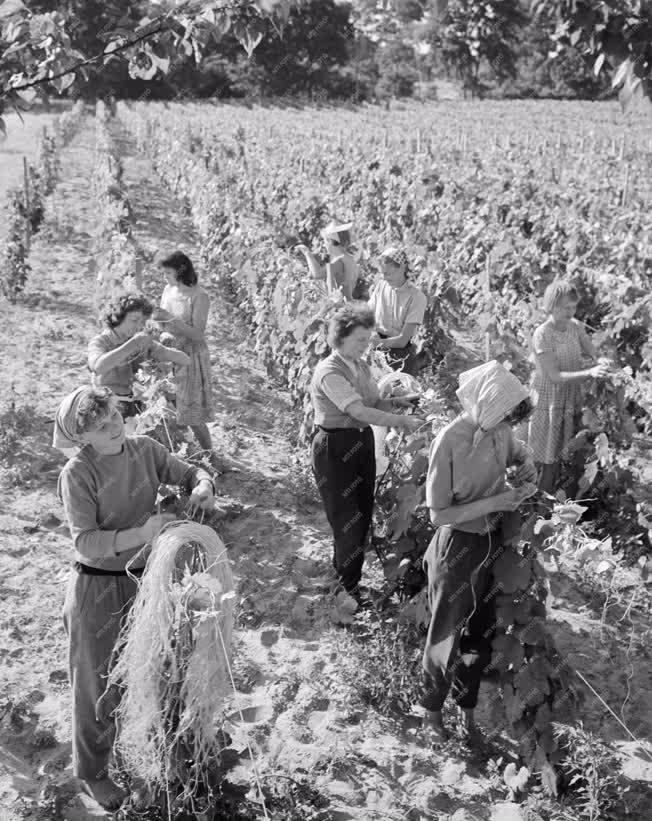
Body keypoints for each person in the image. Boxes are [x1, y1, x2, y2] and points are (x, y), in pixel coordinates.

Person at [54, 385, 216, 810]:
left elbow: (190, 473)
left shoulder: (144, 449)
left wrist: (202, 485)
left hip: (148, 582)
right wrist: (142, 534)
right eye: (102, 426)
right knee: (97, 683)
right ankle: (92, 773)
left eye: (115, 417)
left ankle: (166, 753)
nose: (115, 428)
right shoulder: (78, 473)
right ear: (81, 437)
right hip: (97, 588)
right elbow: (86, 542)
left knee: (153, 666)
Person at [421, 360, 538, 742]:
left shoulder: (500, 431)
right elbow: (438, 514)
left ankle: (466, 707)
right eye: (505, 413)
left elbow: (518, 452)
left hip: (492, 545)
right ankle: (432, 712)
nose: (509, 423)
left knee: (480, 633)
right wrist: (497, 502)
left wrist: (527, 467)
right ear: (487, 403)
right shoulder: (450, 441)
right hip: (457, 547)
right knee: (444, 635)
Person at [310, 303, 423, 604]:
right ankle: (347, 591)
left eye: (367, 339)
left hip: (359, 443)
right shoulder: (329, 372)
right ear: (340, 338)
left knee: (359, 516)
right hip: (335, 448)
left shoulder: (358, 366)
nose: (366, 346)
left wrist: (401, 401)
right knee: (346, 518)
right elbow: (358, 410)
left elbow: (374, 403)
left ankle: (345, 580)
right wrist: (400, 421)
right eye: (360, 340)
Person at [527, 280, 610, 494]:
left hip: (571, 398)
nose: (571, 312)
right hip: (549, 402)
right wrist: (589, 373)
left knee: (566, 456)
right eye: (566, 307)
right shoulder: (542, 335)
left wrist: (600, 360)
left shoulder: (576, 327)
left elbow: (592, 351)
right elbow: (554, 376)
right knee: (547, 461)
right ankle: (538, 507)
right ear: (552, 305)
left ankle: (559, 507)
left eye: (574, 307)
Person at [153, 251, 220, 469]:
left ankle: (211, 456)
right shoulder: (168, 289)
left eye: (168, 273)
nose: (165, 277)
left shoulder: (199, 296)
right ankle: (180, 453)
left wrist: (169, 318)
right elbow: (163, 321)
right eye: (163, 273)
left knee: (192, 412)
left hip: (191, 356)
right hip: (169, 351)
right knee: (169, 406)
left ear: (182, 271)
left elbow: (198, 333)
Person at [88, 292, 189, 419]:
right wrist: (133, 344)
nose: (139, 326)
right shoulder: (101, 341)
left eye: (142, 321)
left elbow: (178, 357)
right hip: (107, 407)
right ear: (118, 317)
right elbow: (98, 367)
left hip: (135, 406)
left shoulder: (141, 341)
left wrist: (172, 349)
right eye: (134, 320)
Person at [368, 247, 428, 376]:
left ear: (402, 268)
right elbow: (368, 313)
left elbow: (402, 340)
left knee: (401, 391)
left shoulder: (416, 297)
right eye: (382, 273)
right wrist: (372, 333)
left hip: (401, 357)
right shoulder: (381, 286)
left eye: (389, 273)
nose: (385, 277)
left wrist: (378, 343)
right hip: (377, 353)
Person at [295, 221, 359, 300]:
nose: (324, 245)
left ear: (329, 241)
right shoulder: (349, 258)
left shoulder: (338, 261)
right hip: (350, 302)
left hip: (341, 305)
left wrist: (307, 253)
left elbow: (317, 274)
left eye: (325, 241)